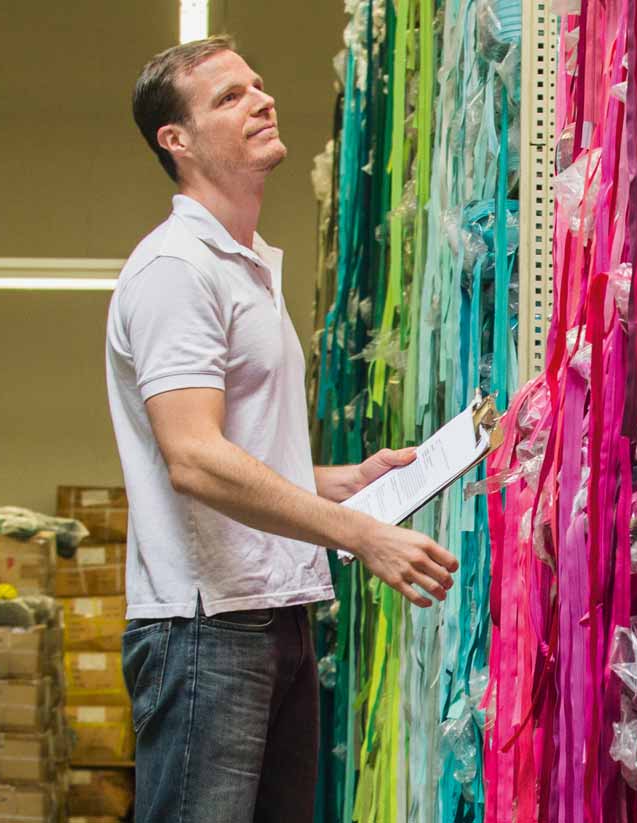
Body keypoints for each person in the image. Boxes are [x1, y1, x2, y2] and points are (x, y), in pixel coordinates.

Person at [105, 36, 458, 823]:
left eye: (258, 85)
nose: (262, 99)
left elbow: (242, 454)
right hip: (206, 628)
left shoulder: (247, 265)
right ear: (177, 140)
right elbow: (194, 459)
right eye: (229, 97)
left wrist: (346, 480)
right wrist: (359, 535)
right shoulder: (177, 270)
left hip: (275, 611)